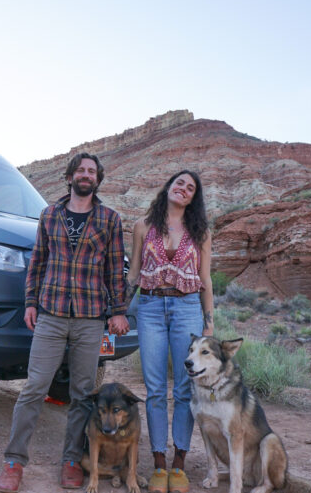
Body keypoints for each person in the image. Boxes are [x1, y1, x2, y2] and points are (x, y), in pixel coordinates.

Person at [0, 152, 129, 493]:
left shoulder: (110, 219)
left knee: (82, 394)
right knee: (34, 387)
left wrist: (118, 311)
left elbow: (115, 270)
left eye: (92, 171)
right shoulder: (49, 215)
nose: (86, 175)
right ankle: (14, 460)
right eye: (80, 170)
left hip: (89, 318)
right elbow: (37, 263)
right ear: (70, 176)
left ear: (97, 179)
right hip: (51, 315)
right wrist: (30, 302)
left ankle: (72, 459)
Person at [126, 170, 214, 493]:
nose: (184, 189)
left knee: (186, 389)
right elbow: (134, 274)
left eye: (191, 188)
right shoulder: (143, 227)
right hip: (149, 308)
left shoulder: (200, 232)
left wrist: (209, 322)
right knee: (155, 389)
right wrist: (120, 310)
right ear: (168, 186)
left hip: (187, 308)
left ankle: (179, 465)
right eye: (180, 183)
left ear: (193, 198)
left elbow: (205, 280)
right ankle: (159, 465)